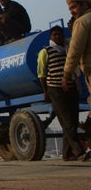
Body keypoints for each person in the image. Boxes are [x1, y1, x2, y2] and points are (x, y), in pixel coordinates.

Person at [38, 25, 89, 161]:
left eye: (60, 34)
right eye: (55, 35)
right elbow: (42, 74)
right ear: (51, 37)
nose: (58, 37)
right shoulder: (45, 51)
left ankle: (66, 154)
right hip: (55, 89)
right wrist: (45, 91)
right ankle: (79, 151)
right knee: (67, 121)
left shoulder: (68, 51)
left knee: (73, 119)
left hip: (71, 88)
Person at [63, 0, 91, 129]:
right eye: (70, 9)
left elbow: (74, 50)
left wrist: (67, 74)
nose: (72, 12)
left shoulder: (82, 22)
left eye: (74, 7)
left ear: (84, 5)